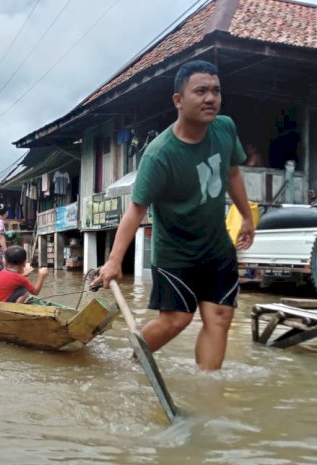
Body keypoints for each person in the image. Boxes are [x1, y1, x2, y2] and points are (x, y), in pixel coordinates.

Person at [91, 60, 255, 371]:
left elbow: (233, 172)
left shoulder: (225, 128)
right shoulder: (159, 154)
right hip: (176, 251)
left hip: (216, 246)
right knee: (176, 320)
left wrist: (246, 216)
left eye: (216, 91)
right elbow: (136, 209)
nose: (210, 98)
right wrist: (114, 261)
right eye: (201, 91)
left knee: (220, 316)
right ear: (178, 101)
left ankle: (209, 391)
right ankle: (132, 363)